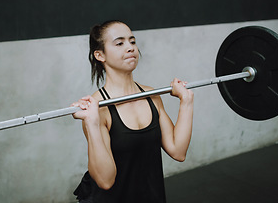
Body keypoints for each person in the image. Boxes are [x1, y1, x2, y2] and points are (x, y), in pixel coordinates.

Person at [72, 20, 194, 203]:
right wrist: (92, 123)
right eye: (119, 43)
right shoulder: (98, 109)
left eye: (132, 41)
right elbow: (105, 181)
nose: (130, 48)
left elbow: (178, 151)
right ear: (100, 55)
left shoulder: (151, 96)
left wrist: (186, 101)